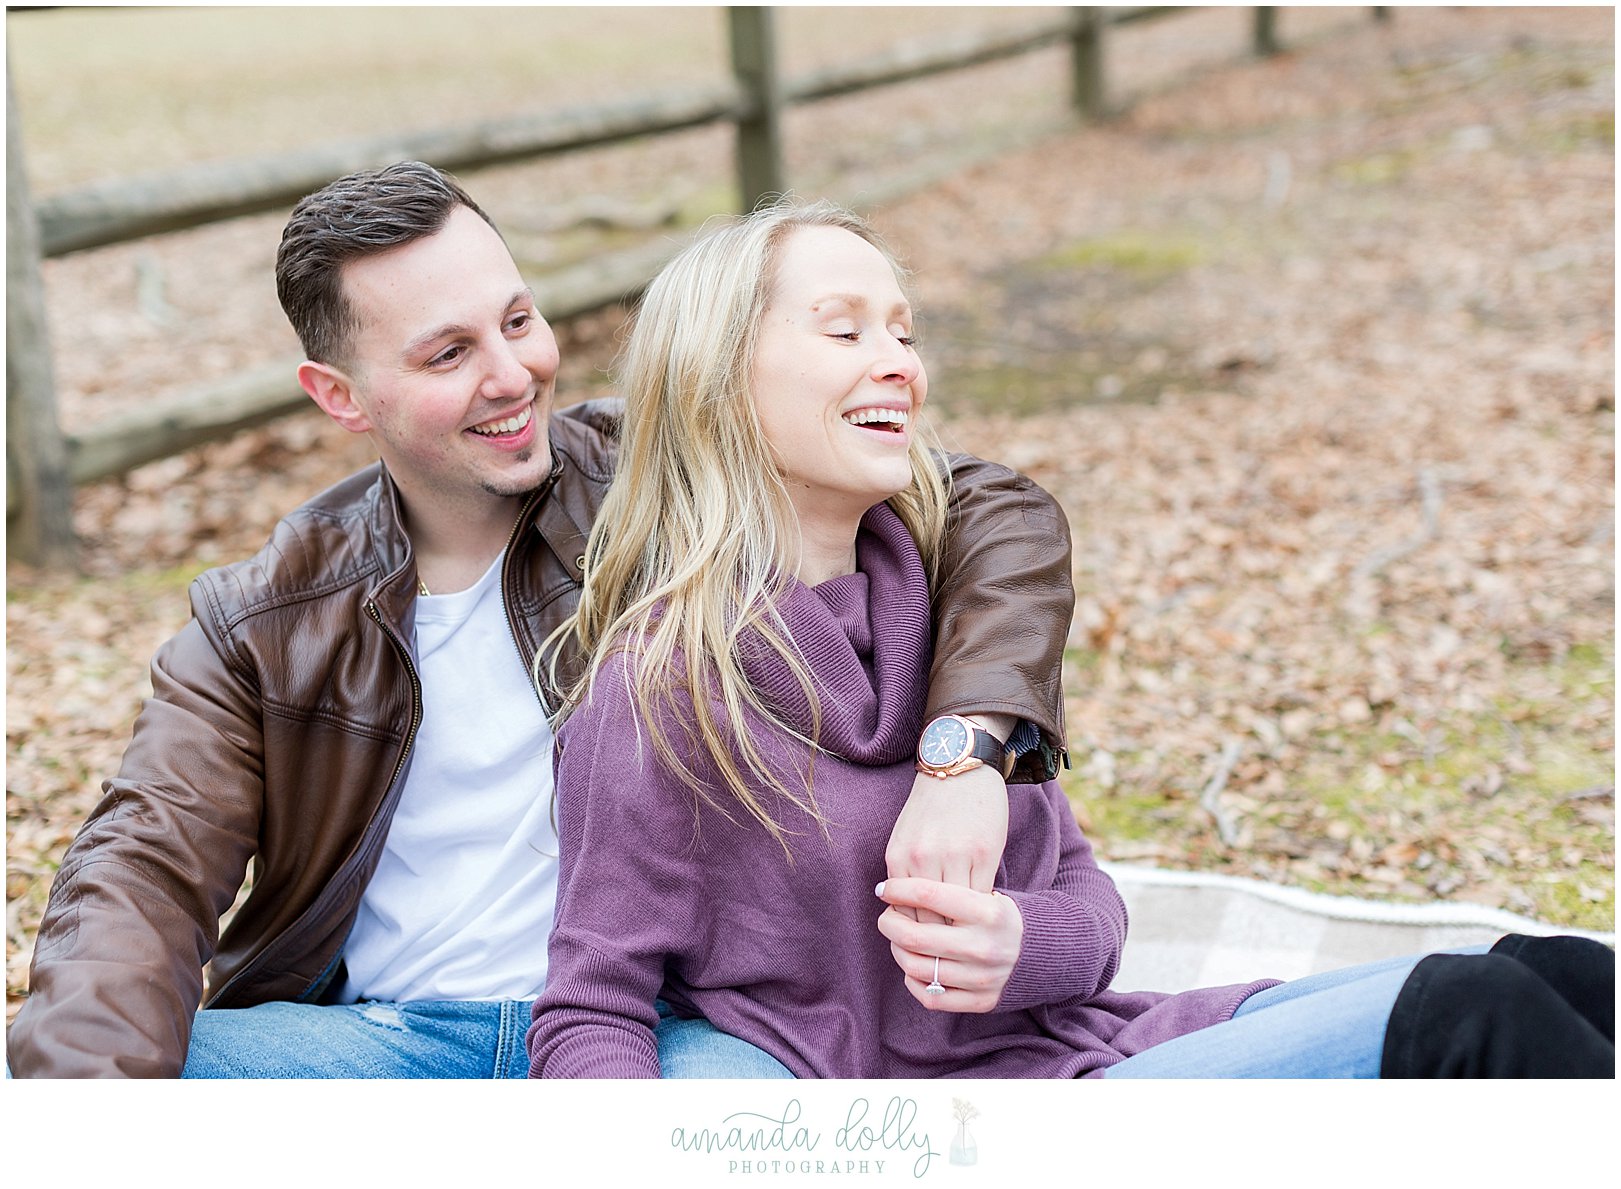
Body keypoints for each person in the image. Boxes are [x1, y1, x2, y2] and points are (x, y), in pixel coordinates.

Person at [5, 162, 1077, 1079]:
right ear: (340, 395)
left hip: (669, 1028)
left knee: (786, 1117)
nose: (513, 375)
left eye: (517, 322)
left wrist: (965, 754)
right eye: (447, 354)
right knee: (91, 1083)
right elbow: (139, 866)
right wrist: (83, 1126)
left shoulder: (653, 475)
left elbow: (990, 507)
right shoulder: (262, 623)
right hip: (385, 1046)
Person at [527, 198, 1613, 1079]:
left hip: (1090, 1045)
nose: (900, 361)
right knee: (1480, 1018)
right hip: (960, 1122)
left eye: (904, 331)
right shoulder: (661, 689)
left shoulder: (956, 631)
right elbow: (591, 1007)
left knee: (1564, 973)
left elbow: (1090, 905)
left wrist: (1017, 948)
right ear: (717, 378)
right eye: (845, 327)